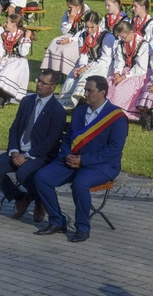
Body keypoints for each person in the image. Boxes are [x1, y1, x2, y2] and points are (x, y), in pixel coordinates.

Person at [34, 76, 128, 242]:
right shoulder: (79, 111)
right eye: (85, 90)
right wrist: (66, 155)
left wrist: (83, 160)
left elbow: (113, 149)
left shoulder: (117, 117)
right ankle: (57, 221)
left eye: (89, 91)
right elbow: (69, 138)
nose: (85, 94)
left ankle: (82, 228)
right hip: (73, 160)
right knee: (42, 178)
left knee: (80, 183)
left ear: (102, 92)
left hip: (101, 165)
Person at [0, 70, 66, 222]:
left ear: (53, 87)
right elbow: (15, 128)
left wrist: (27, 156)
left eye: (44, 83)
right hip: (19, 150)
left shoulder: (57, 111)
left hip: (40, 155)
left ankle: (39, 201)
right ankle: (21, 197)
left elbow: (51, 141)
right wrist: (15, 150)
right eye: (38, 81)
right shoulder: (27, 101)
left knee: (22, 174)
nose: (39, 84)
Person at [58, 12, 115, 110]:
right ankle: (71, 105)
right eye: (87, 27)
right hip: (88, 63)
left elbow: (106, 59)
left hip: (103, 65)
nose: (89, 30)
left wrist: (87, 67)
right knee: (71, 78)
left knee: (86, 78)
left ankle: (85, 102)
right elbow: (83, 54)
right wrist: (81, 67)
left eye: (92, 27)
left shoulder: (107, 37)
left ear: (98, 24)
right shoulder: (83, 35)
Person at [0, 14, 33, 107]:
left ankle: (1, 102)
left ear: (14, 24)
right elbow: (1, 50)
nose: (5, 24)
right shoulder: (4, 35)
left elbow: (23, 52)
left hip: (18, 60)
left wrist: (26, 38)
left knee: (5, 73)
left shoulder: (22, 35)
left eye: (7, 22)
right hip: (6, 58)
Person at [106, 21, 150, 121]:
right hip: (125, 70)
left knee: (121, 88)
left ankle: (119, 112)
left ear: (131, 32)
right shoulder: (121, 43)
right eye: (120, 37)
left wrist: (124, 76)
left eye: (124, 37)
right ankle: (107, 110)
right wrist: (117, 73)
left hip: (137, 73)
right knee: (109, 83)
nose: (122, 39)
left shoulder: (143, 44)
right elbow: (119, 60)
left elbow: (141, 67)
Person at [40, 0, 92, 76]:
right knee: (53, 44)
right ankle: (50, 73)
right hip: (70, 35)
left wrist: (70, 40)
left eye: (70, 7)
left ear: (78, 7)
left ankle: (67, 73)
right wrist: (70, 19)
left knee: (65, 50)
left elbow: (86, 32)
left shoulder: (88, 14)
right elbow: (64, 31)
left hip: (82, 38)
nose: (68, 9)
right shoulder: (69, 13)